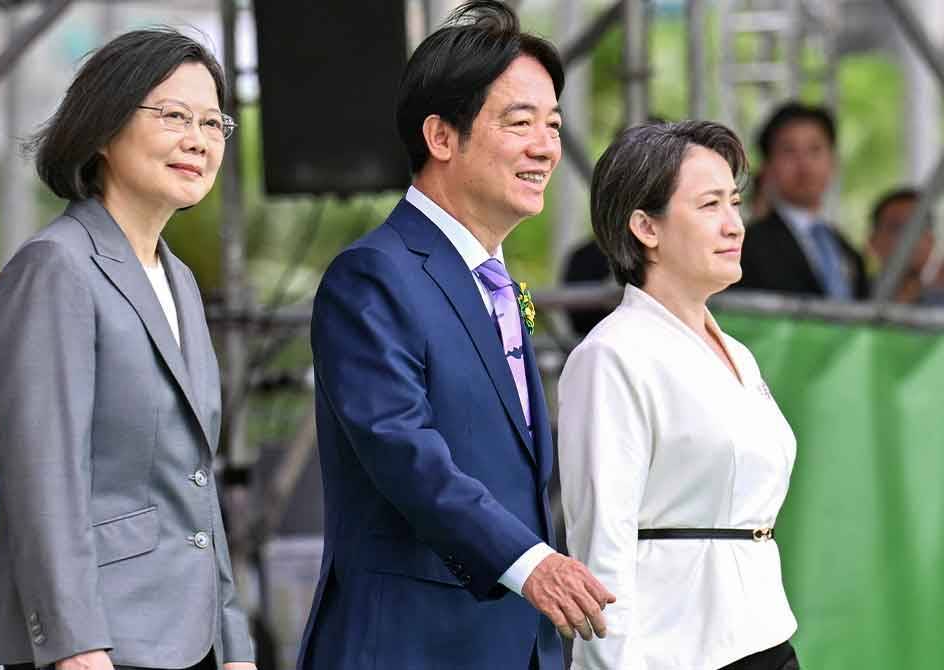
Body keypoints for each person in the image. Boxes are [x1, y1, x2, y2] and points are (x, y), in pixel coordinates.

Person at [298, 2, 614, 669]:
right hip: (412, 645)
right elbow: (403, 450)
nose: (545, 147)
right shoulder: (372, 275)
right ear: (441, 137)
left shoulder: (499, 283)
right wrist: (530, 563)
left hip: (516, 643)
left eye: (553, 125)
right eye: (520, 122)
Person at [0, 29, 255, 670]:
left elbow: (194, 483)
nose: (199, 140)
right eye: (175, 116)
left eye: (213, 123)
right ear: (104, 129)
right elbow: (44, 478)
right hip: (99, 642)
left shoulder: (178, 279)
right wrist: (75, 644)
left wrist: (235, 643)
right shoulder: (56, 267)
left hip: (189, 640)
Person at [559, 121, 799, 669]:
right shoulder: (610, 356)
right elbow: (601, 547)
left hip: (765, 635)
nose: (734, 225)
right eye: (710, 205)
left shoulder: (738, 354)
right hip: (675, 649)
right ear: (646, 226)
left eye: (734, 203)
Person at [735, 101, 868, 299]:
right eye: (789, 151)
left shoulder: (848, 252)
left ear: (833, 162)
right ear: (767, 166)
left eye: (815, 150)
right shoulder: (746, 247)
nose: (805, 165)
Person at [866, 187, 944, 304]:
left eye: (919, 228)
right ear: (873, 241)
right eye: (896, 228)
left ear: (931, 239)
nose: (910, 238)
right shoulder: (853, 293)